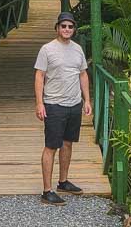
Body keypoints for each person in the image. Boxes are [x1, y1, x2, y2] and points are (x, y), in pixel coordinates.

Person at [33, 11, 91, 205]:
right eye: (63, 26)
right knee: (51, 146)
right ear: (57, 28)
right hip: (54, 104)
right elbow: (39, 76)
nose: (67, 29)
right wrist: (40, 103)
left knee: (68, 143)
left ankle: (63, 181)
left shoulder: (77, 49)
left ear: (74, 29)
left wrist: (87, 100)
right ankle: (46, 190)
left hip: (74, 103)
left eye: (70, 26)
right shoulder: (47, 49)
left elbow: (83, 74)